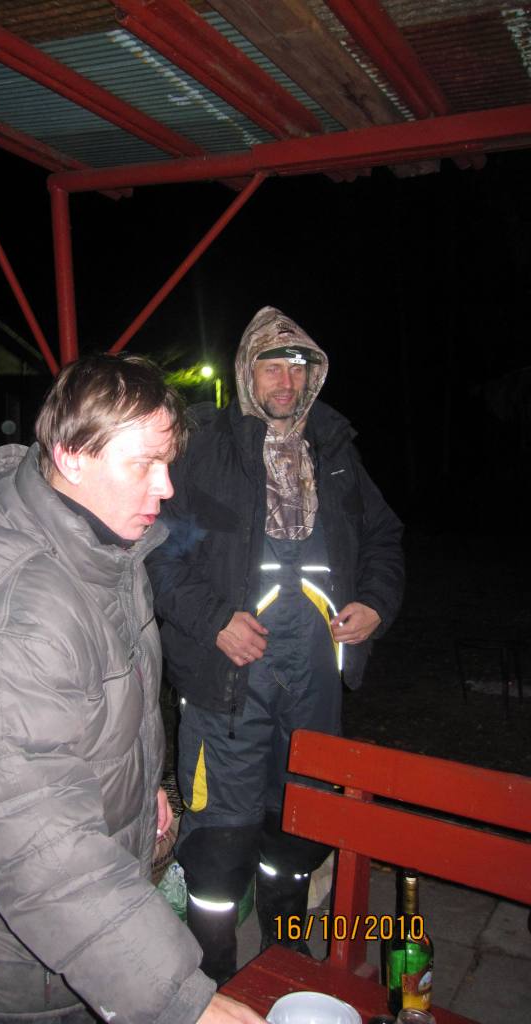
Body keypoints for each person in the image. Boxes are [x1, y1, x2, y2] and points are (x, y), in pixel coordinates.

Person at [0, 353, 264, 1024]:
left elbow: (87, 712)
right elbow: (33, 837)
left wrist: (136, 780)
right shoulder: (21, 614)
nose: (166, 486)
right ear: (71, 456)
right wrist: (176, 998)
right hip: (8, 955)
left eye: (168, 462)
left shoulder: (98, 540)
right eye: (144, 464)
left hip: (53, 929)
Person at [147, 307, 405, 985]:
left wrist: (376, 604)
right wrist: (213, 620)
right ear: (245, 370)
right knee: (221, 839)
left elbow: (384, 538)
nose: (286, 380)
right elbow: (159, 554)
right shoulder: (205, 448)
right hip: (227, 683)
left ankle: (285, 967)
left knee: (299, 827)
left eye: (297, 366)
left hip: (314, 681)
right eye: (272, 365)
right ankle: (214, 985)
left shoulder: (335, 450)